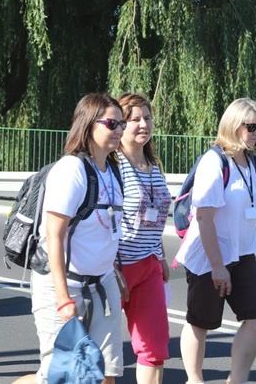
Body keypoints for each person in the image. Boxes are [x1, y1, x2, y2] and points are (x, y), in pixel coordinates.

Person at [17, 92, 126, 384]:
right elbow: (54, 234)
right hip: (64, 286)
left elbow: (106, 228)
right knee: (58, 378)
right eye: (111, 124)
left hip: (102, 284)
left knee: (105, 374)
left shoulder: (113, 170)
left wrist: (114, 272)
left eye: (121, 124)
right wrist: (64, 299)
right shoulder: (72, 169)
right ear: (89, 124)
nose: (120, 130)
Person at [174, 97, 256, 384]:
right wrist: (217, 266)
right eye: (251, 126)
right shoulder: (214, 161)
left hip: (243, 254)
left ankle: (236, 380)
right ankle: (195, 380)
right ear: (233, 125)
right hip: (208, 255)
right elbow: (204, 218)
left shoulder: (250, 161)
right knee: (200, 322)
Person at [115, 93, 172, 384]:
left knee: (154, 348)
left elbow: (157, 216)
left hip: (148, 266)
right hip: (116, 268)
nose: (143, 124)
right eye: (134, 119)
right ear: (119, 125)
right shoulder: (113, 166)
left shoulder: (155, 167)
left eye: (147, 118)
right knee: (102, 350)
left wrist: (160, 257)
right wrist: (110, 265)